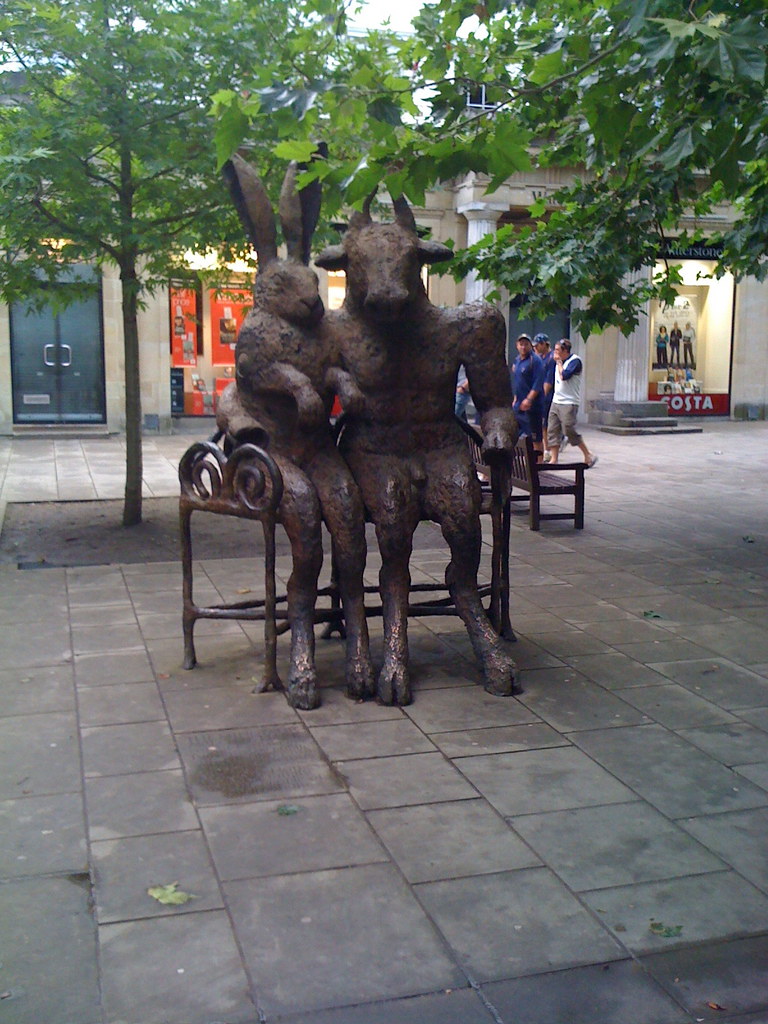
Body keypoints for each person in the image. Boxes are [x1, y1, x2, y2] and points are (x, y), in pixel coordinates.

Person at [546, 338, 597, 468]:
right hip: (556, 401)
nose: (555, 353)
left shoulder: (575, 361)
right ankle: (554, 458)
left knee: (568, 429)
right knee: (552, 429)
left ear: (565, 351)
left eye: (557, 350)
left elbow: (564, 376)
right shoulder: (559, 362)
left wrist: (558, 363)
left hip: (569, 402)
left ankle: (588, 454)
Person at [511, 333, 545, 457]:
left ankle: (539, 464)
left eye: (526, 344)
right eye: (521, 344)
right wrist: (516, 398)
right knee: (516, 432)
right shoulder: (517, 360)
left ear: (531, 345)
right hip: (519, 403)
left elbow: (538, 383)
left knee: (535, 436)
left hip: (533, 405)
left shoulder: (535, 361)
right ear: (517, 345)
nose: (523, 347)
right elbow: (517, 381)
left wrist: (529, 399)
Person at [533, 333, 555, 459]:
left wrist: (541, 397)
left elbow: (548, 381)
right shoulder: (541, 357)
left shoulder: (551, 359)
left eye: (537, 345)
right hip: (543, 395)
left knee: (545, 424)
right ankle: (546, 449)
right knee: (543, 425)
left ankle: (547, 450)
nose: (535, 348)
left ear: (544, 344)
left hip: (548, 397)